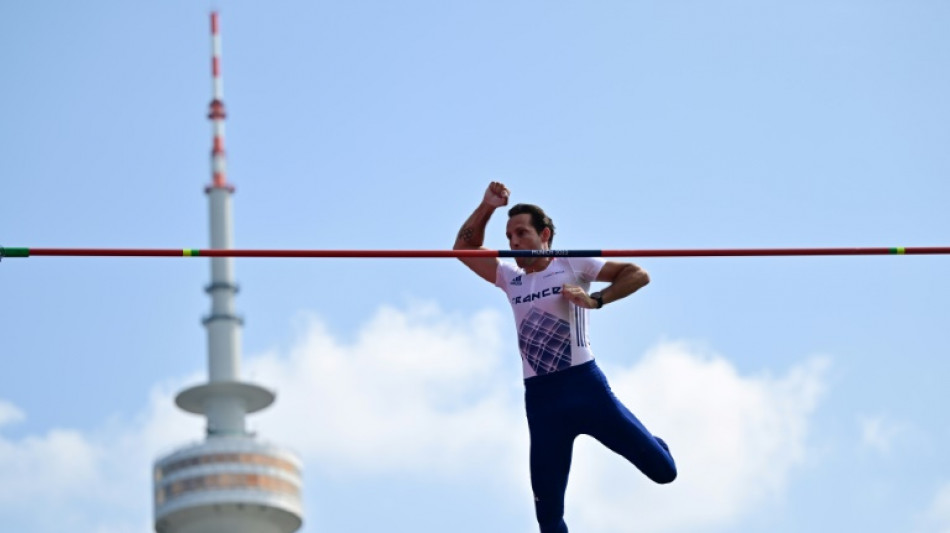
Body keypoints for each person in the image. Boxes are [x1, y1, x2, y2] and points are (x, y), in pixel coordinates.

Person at [454, 181, 677, 533]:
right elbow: (463, 248)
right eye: (509, 236)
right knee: (548, 518)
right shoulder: (509, 278)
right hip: (542, 403)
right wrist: (487, 206)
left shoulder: (573, 263)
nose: (513, 243)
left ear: (544, 235)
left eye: (521, 233)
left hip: (585, 389)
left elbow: (638, 274)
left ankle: (652, 443)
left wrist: (596, 299)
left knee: (665, 472)